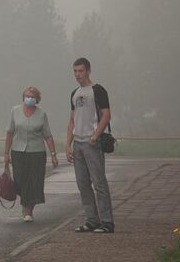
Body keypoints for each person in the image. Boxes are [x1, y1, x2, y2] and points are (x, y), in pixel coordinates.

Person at [65, 57, 114, 234]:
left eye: (81, 71)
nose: (78, 74)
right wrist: (68, 145)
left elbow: (106, 115)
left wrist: (95, 136)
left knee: (99, 183)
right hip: (77, 143)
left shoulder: (98, 90)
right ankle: (91, 220)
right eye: (75, 71)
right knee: (83, 184)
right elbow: (71, 120)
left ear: (88, 71)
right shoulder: (74, 93)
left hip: (92, 143)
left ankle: (107, 222)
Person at [4, 86, 58, 222]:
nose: (29, 99)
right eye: (27, 96)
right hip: (18, 151)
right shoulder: (15, 111)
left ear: (37, 99)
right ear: (23, 97)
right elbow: (10, 132)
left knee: (34, 181)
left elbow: (48, 135)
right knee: (20, 179)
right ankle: (25, 203)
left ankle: (28, 210)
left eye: (32, 97)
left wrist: (53, 154)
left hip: (37, 152)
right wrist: (6, 153)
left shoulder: (41, 114)